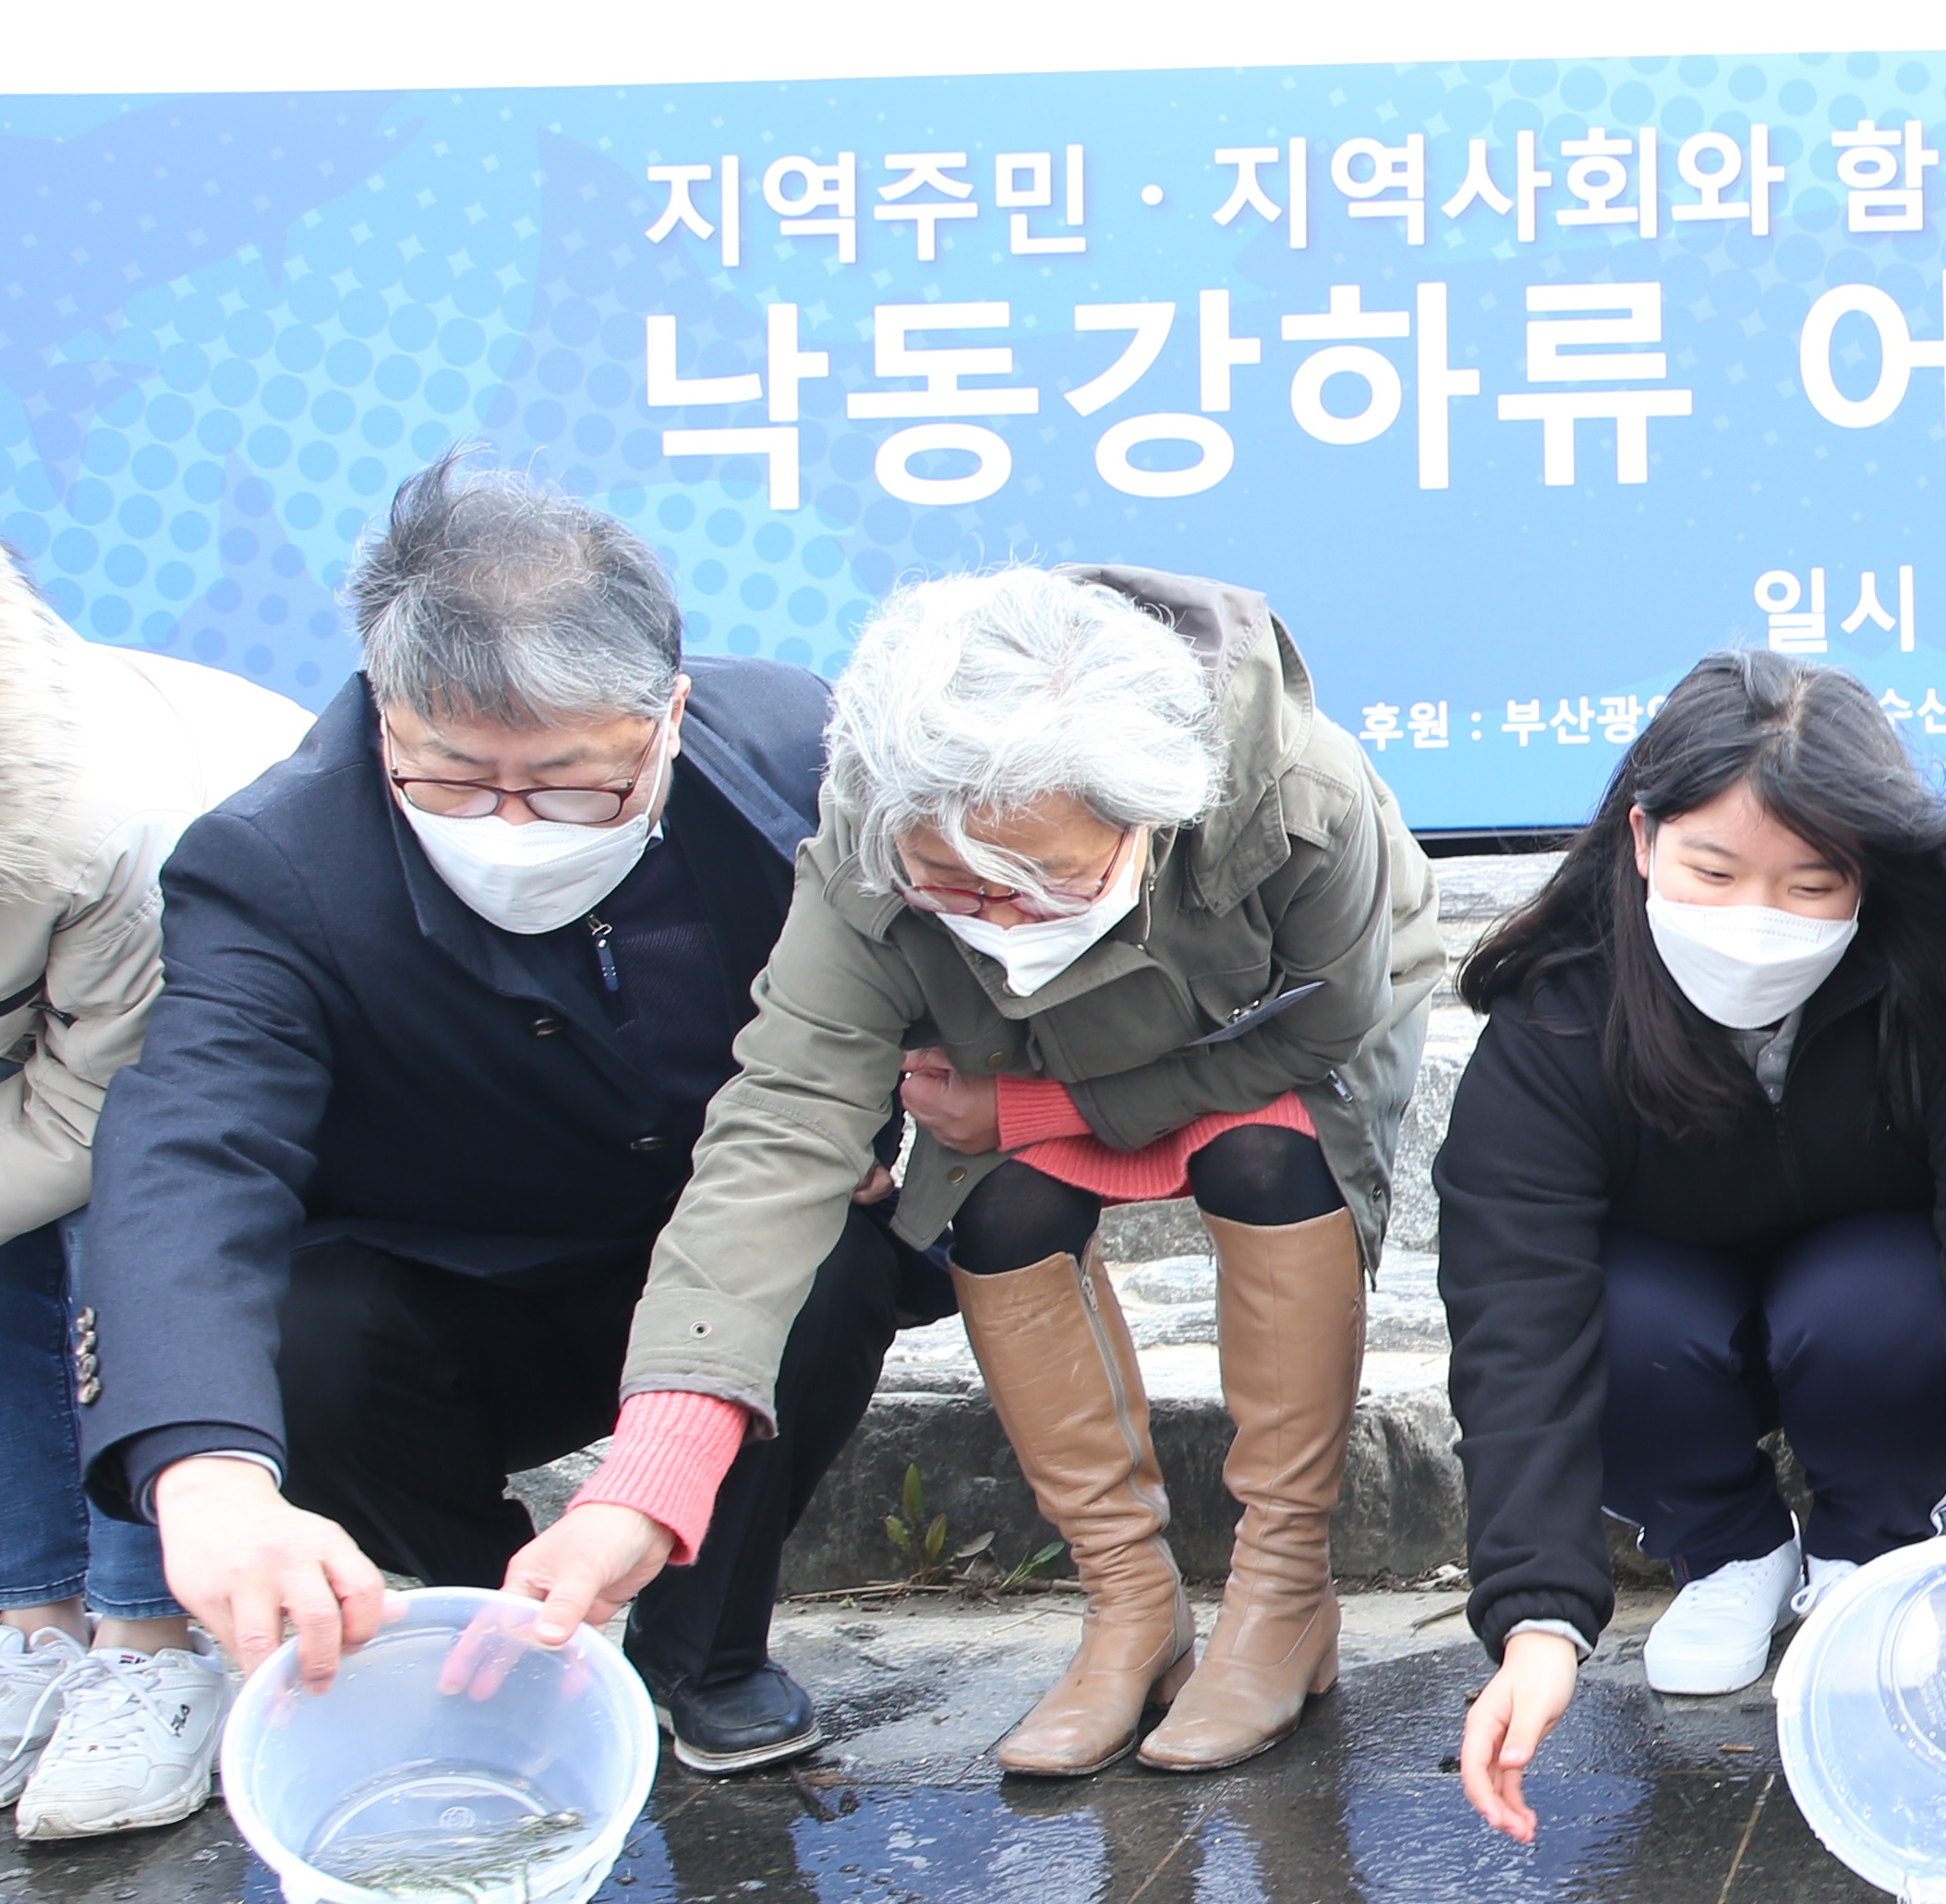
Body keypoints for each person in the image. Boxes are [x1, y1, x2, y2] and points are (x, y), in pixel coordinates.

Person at [492, 564, 1443, 1777]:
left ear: (1148, 816)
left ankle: (1283, 1599)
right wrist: (647, 1477)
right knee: (1001, 1209)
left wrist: (1029, 1104)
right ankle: (1129, 1610)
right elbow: (784, 1117)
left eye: (1049, 882)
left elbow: (1321, 1028)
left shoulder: (1297, 799)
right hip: (1011, 1053)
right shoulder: (873, 831)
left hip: (1259, 1040)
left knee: (1271, 1168)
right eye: (956, 888)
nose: (1000, 914)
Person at [81, 456, 933, 1778]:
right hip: (453, 1297)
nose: (512, 822)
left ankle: (704, 1659)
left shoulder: (796, 758)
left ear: (669, 713)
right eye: (458, 780)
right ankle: (492, 1655)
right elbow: (191, 1146)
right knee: (312, 1329)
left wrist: (901, 1134)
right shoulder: (274, 864)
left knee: (832, 1255)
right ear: (385, 719)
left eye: (573, 783)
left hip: (727, 1257)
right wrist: (203, 1475)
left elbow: (938, 991)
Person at [1441, 654, 1946, 1840]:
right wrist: (1537, 1623)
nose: (1758, 917)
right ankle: (1730, 1545)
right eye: (1714, 868)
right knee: (1619, 1314)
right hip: (1672, 1321)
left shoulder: (1940, 984)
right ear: (1642, 839)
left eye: (1811, 883)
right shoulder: (1558, 1011)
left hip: (1863, 1311)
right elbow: (1515, 1312)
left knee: (1886, 1299)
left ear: (1871, 877)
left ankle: (1874, 1544)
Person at [0, 527, 310, 1837]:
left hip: (166, 1044)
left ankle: (150, 1642)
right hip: (17, 1034)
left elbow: (108, 1114)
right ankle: (28, 1619)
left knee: (114, 1218)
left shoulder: (103, 812)